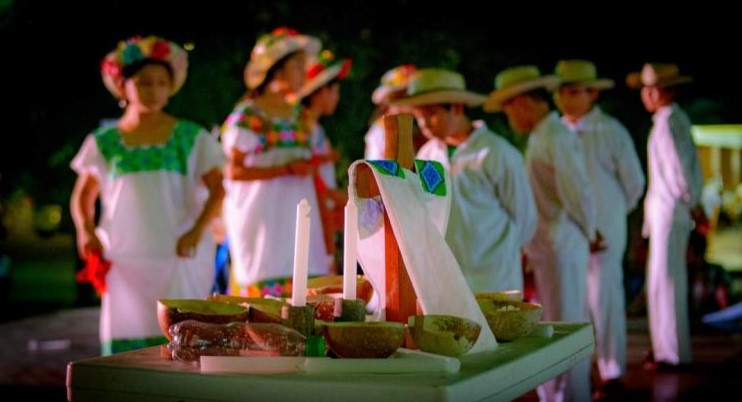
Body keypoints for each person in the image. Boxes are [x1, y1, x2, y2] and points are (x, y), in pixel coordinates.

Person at [70, 35, 226, 355]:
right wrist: (85, 231)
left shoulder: (189, 137)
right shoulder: (105, 141)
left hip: (178, 253)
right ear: (123, 87)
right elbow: (83, 195)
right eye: (143, 82)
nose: (153, 90)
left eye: (160, 83)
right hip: (124, 257)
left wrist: (196, 231)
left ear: (170, 88)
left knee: (180, 337)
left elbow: (218, 189)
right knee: (127, 338)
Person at [484, 65, 598, 402]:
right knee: (554, 324)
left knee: (564, 328)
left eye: (508, 108)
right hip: (550, 245)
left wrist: (590, 231)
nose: (508, 117)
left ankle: (572, 396)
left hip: (562, 243)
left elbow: (577, 191)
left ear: (522, 102)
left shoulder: (556, 136)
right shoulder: (544, 135)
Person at [393, 68, 537, 293]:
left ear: (457, 108)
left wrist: (502, 252)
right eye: (419, 117)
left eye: (431, 114)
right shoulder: (428, 155)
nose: (424, 124)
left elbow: (525, 218)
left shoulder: (495, 152)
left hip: (495, 278)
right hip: (448, 278)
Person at [553, 59, 646, 397]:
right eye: (561, 92)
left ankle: (612, 370)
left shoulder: (611, 131)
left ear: (592, 93)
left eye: (573, 91)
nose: (566, 98)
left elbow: (634, 184)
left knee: (604, 297)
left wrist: (609, 216)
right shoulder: (557, 132)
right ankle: (579, 371)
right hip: (570, 229)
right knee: (572, 301)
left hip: (606, 227)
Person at [221, 27, 331, 298]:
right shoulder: (247, 117)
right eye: (297, 66)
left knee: (307, 302)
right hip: (262, 227)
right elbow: (233, 171)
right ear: (276, 71)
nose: (303, 72)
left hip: (302, 225)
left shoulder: (302, 118)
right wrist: (285, 169)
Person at [626, 63, 704, 370]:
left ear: (667, 90)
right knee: (660, 281)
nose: (646, 95)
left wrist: (692, 203)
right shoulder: (665, 121)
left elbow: (679, 170)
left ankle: (672, 354)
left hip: (671, 210)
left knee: (667, 282)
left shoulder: (671, 121)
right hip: (665, 211)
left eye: (651, 88)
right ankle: (665, 349)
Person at [297, 50, 353, 272]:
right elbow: (312, 177)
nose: (337, 97)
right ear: (320, 91)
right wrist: (337, 198)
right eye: (335, 90)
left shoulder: (315, 128)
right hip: (313, 212)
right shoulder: (302, 128)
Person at [364, 64, 425, 159]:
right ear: (395, 99)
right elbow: (377, 169)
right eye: (410, 94)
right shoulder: (381, 131)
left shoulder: (407, 127)